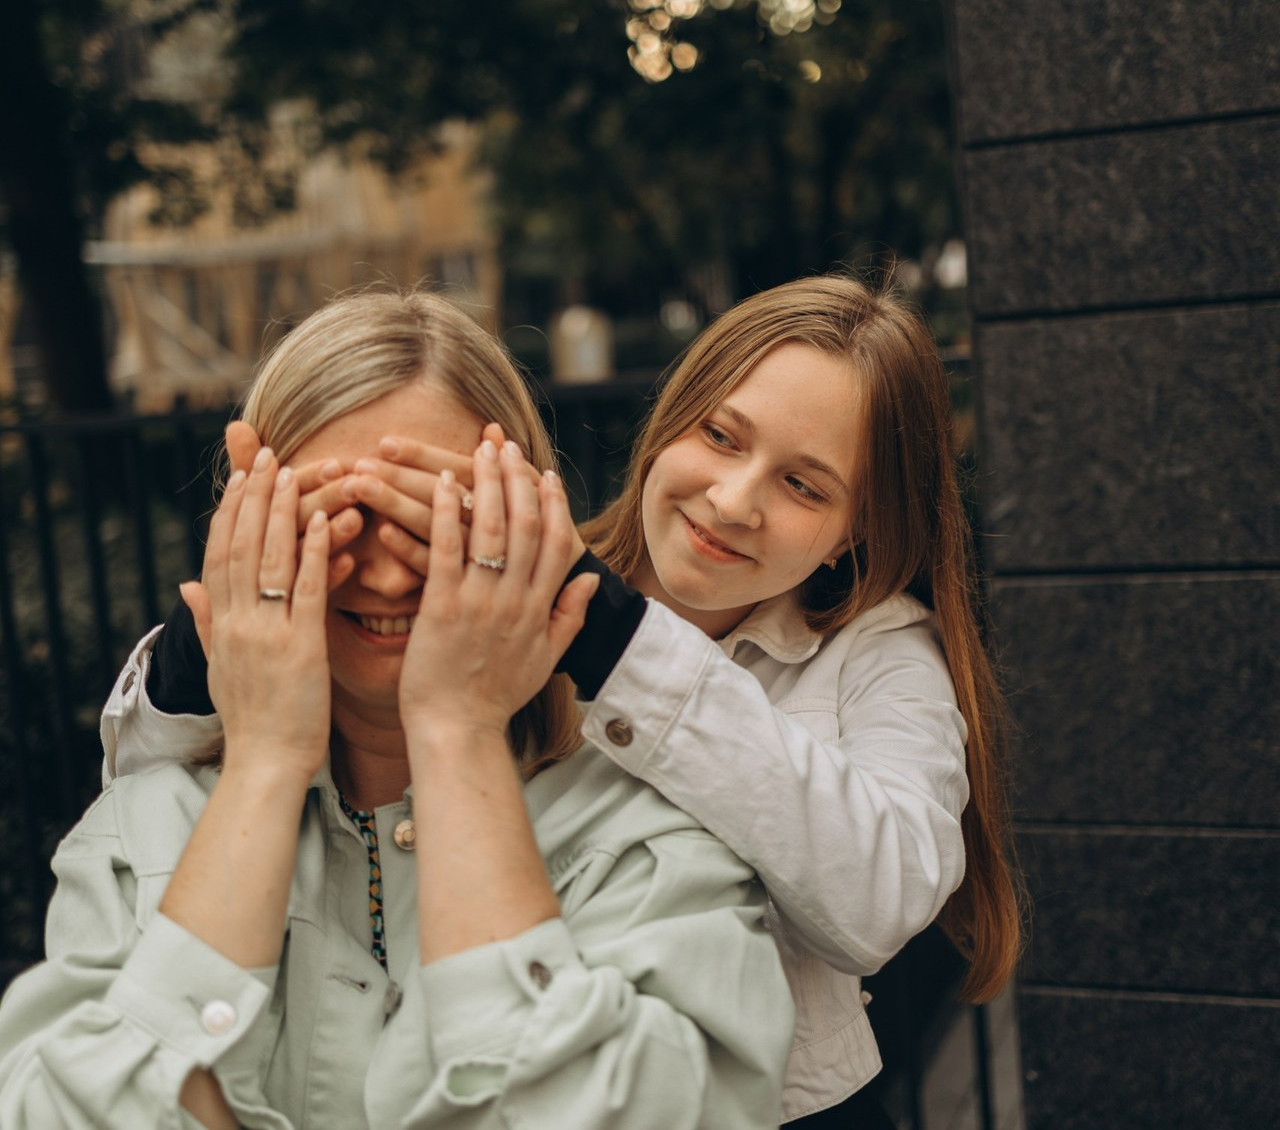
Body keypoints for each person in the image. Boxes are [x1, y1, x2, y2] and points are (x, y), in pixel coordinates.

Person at [97, 275, 1023, 1126]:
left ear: (854, 530)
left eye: (802, 485)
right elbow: (165, 804)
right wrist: (210, 641)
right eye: (720, 436)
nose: (733, 499)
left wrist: (611, 636)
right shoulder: (507, 587)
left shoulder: (882, 655)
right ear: (669, 423)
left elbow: (880, 901)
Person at [0, 289, 795, 1129]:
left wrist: (459, 735)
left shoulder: (653, 836)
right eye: (339, 521)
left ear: (528, 532)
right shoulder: (143, 830)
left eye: (434, 520)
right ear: (250, 535)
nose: (384, 575)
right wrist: (265, 760)